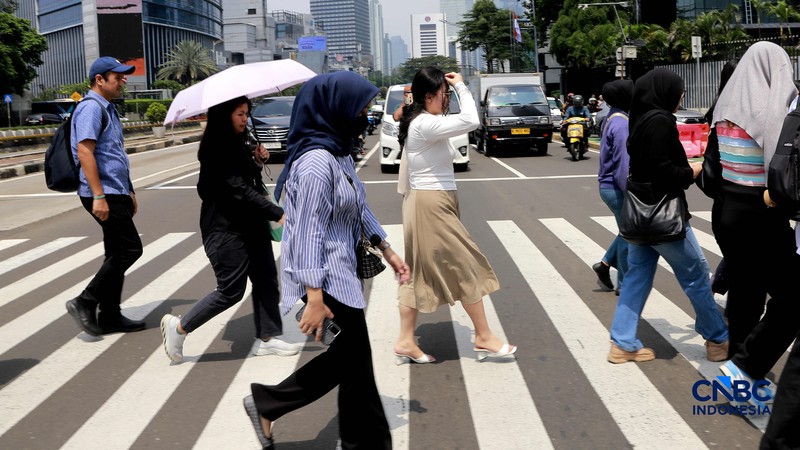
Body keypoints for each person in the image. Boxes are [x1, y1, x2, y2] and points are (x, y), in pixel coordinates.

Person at [242, 72, 410, 450]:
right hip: (324, 282)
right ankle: (273, 405)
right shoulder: (317, 164)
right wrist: (314, 296)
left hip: (340, 277)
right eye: (360, 107)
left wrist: (387, 248)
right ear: (335, 109)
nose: (365, 114)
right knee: (354, 364)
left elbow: (357, 208)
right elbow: (305, 233)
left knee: (352, 365)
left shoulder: (337, 152)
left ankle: (269, 404)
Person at [160, 96, 295, 363]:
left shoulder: (241, 140)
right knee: (230, 291)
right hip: (225, 228)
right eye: (239, 114)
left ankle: (267, 337)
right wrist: (277, 212)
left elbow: (248, 179)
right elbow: (237, 188)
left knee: (266, 277)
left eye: (246, 113)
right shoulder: (215, 147)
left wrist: (257, 160)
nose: (245, 119)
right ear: (224, 116)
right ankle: (179, 328)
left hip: (251, 224)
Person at [393, 66, 515, 363]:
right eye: (443, 95)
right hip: (430, 204)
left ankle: (406, 340)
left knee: (417, 272)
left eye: (447, 94)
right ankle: (484, 335)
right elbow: (472, 120)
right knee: (465, 264)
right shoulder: (423, 123)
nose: (446, 99)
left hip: (435, 200)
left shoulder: (428, 121)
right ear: (428, 96)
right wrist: (461, 86)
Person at [607, 68, 729, 364]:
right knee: (696, 276)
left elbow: (649, 166)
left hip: (639, 217)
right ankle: (717, 339)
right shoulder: (661, 121)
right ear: (664, 93)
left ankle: (622, 343)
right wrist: (694, 170)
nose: (681, 97)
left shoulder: (639, 120)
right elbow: (666, 174)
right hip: (665, 217)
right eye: (679, 92)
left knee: (637, 278)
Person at [709, 41, 800, 396]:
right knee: (793, 299)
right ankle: (744, 368)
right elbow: (781, 169)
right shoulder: (770, 113)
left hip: (728, 209)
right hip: (760, 212)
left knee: (746, 292)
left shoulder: (725, 110)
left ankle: (739, 368)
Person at [65, 56, 144, 336]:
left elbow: (114, 155)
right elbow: (85, 152)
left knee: (115, 251)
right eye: (118, 76)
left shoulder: (107, 109)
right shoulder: (90, 108)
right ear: (100, 79)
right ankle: (85, 301)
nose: (124, 80)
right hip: (102, 192)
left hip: (115, 190)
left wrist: (129, 189)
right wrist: (98, 195)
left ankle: (110, 315)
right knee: (130, 249)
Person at [592, 80, 634, 295]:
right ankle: (624, 285)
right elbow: (622, 166)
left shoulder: (614, 117)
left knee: (626, 232)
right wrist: (631, 193)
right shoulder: (621, 124)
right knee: (629, 235)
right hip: (616, 187)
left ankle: (605, 264)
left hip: (609, 186)